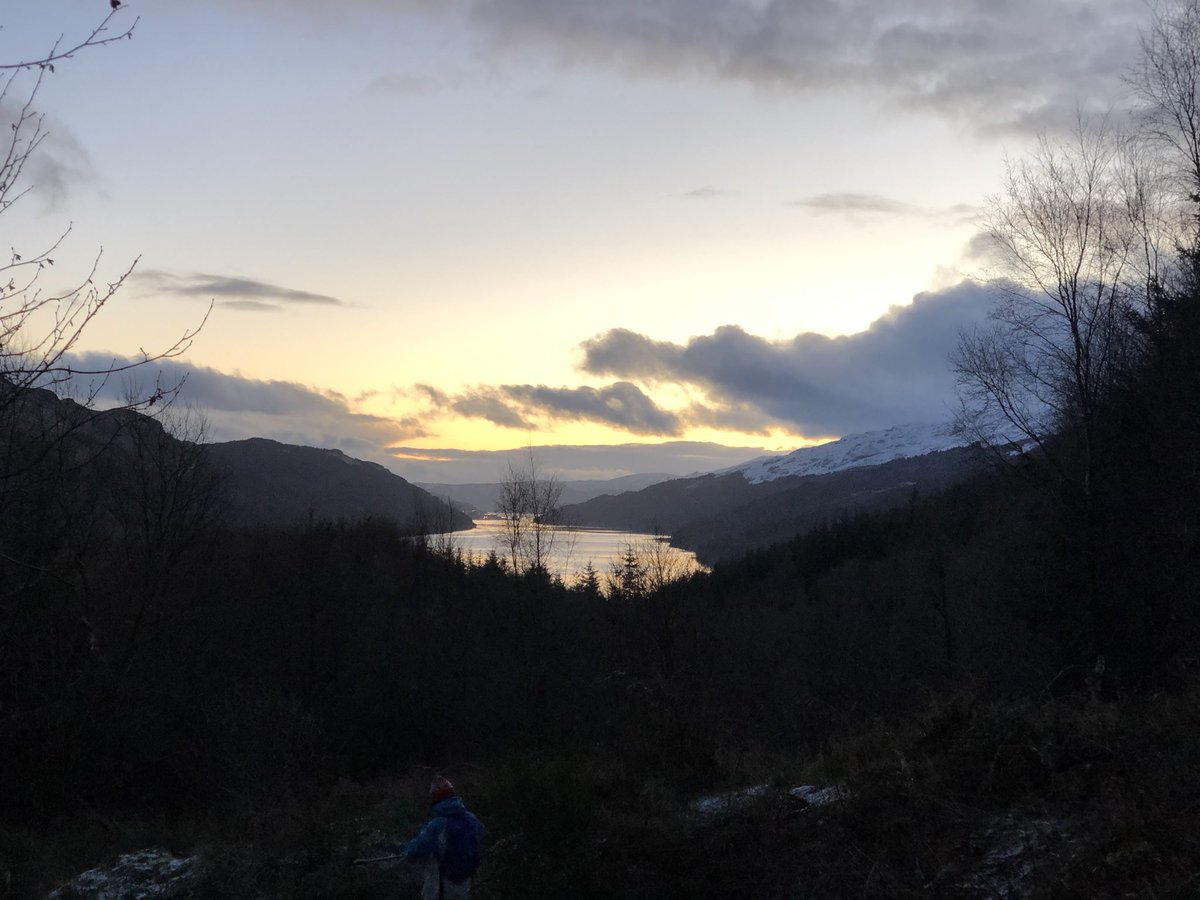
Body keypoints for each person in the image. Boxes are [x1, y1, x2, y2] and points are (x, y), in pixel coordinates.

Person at [402, 775, 484, 900]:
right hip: (466, 878)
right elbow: (480, 836)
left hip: (442, 879)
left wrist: (405, 852)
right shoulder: (471, 819)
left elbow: (418, 847)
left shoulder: (438, 823)